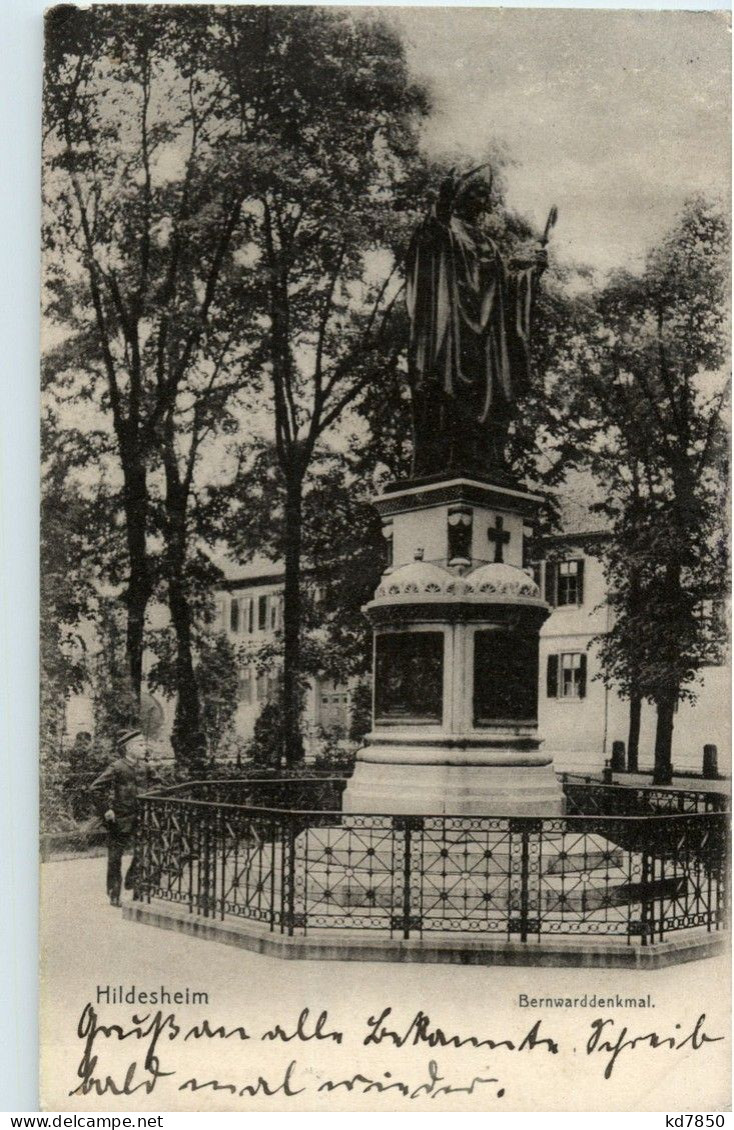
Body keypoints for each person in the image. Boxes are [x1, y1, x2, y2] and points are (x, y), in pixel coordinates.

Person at [405, 168, 549, 476]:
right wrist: (440, 204)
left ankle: (482, 458)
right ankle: (447, 457)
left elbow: (504, 290)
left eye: (485, 196)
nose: (482, 201)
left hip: (485, 341)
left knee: (488, 395)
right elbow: (429, 242)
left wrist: (530, 274)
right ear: (460, 195)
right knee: (448, 390)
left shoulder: (488, 243)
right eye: (476, 193)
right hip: (454, 328)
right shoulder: (445, 229)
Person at [91, 728, 150, 907]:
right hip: (119, 819)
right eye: (140, 745)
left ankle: (136, 885)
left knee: (142, 853)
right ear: (129, 748)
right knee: (115, 857)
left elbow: (160, 785)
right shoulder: (117, 767)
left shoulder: (145, 767)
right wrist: (106, 810)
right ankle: (114, 892)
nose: (144, 748)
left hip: (141, 817)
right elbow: (95, 788)